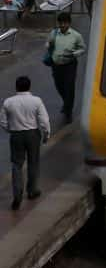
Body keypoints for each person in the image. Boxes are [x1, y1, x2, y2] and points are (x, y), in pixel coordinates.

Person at [1, 75, 50, 210]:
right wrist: (46, 135)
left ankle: (17, 194)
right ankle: (32, 190)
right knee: (33, 162)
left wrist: (11, 130)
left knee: (16, 164)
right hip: (33, 134)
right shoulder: (36, 101)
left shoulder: (8, 102)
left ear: (16, 87)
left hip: (16, 135)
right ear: (29, 86)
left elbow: (3, 121)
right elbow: (44, 121)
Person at [46, 11, 86, 119]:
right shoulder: (54, 33)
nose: (62, 25)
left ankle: (68, 111)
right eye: (60, 23)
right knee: (59, 86)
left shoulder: (76, 35)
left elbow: (82, 48)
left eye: (65, 23)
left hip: (70, 65)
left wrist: (74, 53)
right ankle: (66, 102)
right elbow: (48, 43)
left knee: (69, 87)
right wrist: (49, 45)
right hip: (56, 65)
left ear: (69, 23)